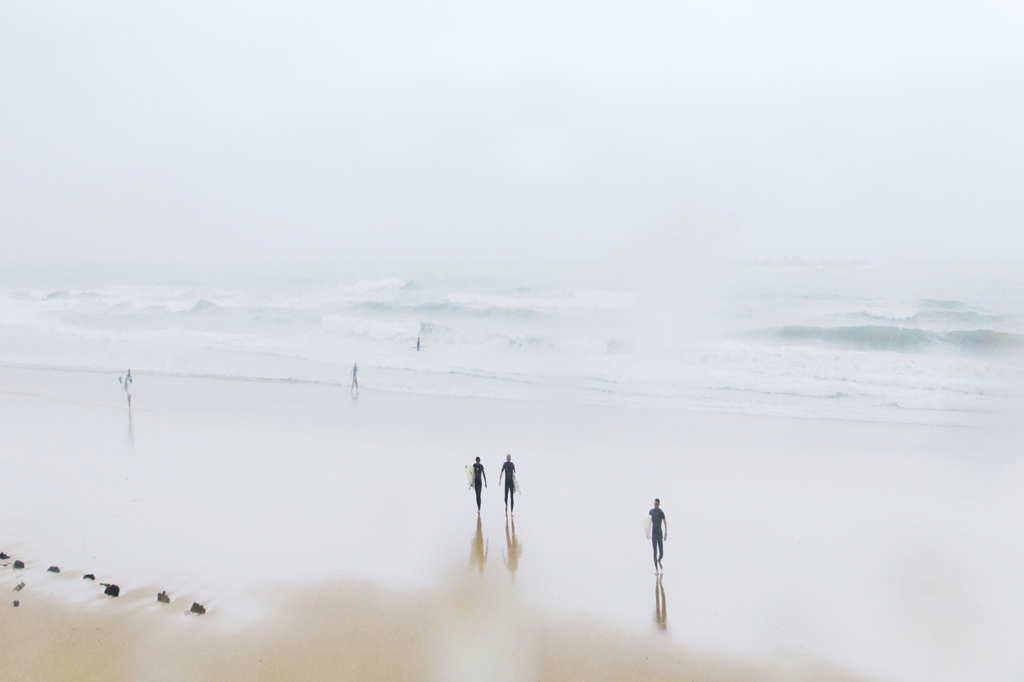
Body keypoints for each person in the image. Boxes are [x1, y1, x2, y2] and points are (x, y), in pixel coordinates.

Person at [649, 498, 668, 575]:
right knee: (655, 552)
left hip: (660, 534)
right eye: (654, 504)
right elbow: (648, 523)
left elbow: (665, 523)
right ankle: (656, 569)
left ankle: (659, 560)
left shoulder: (661, 512)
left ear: (659, 504)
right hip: (654, 534)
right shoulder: (651, 512)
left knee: (661, 552)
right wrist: (647, 534)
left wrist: (665, 534)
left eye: (657, 504)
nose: (655, 506)